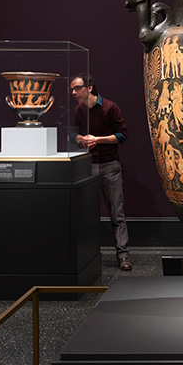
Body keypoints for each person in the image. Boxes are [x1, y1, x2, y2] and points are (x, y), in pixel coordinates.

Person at [70, 73, 132, 271]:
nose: (73, 92)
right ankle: (87, 257)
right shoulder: (78, 110)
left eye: (77, 88)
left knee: (117, 212)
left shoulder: (109, 107)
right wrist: (80, 139)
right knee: (86, 214)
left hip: (109, 165)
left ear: (89, 88)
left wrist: (97, 139)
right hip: (86, 166)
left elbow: (122, 135)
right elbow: (71, 133)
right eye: (72, 89)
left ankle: (123, 256)